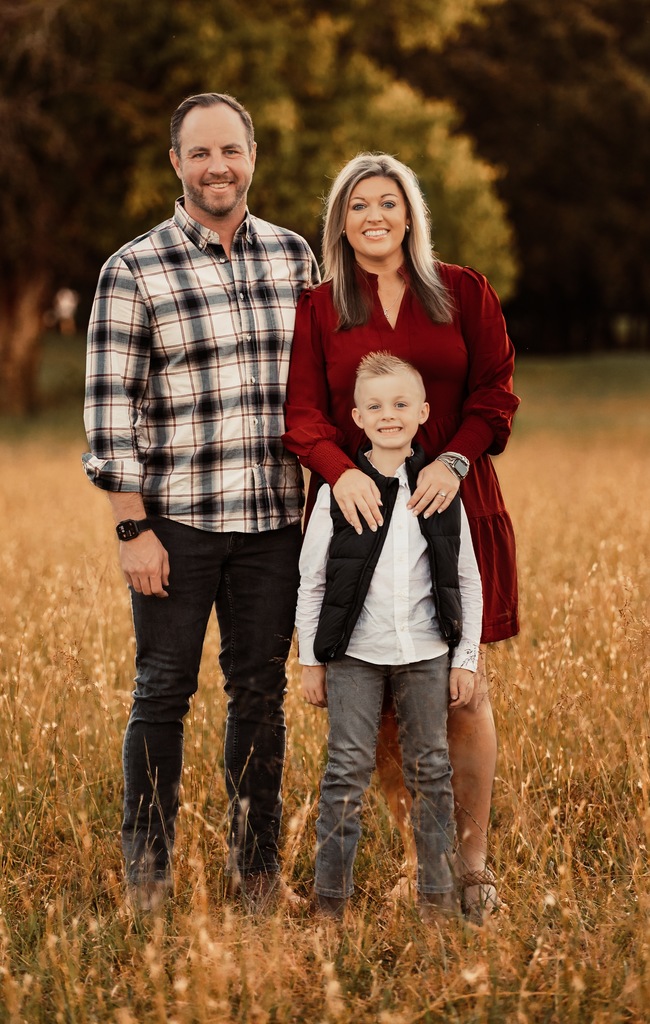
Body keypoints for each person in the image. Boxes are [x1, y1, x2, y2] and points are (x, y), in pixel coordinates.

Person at [83, 92, 319, 912]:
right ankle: (148, 880)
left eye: (232, 150)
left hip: (275, 524)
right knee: (163, 691)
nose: (218, 166)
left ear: (253, 156)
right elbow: (112, 414)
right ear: (176, 164)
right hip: (176, 524)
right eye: (201, 153)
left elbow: (320, 389)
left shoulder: (294, 258)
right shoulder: (133, 268)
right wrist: (131, 528)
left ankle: (256, 879)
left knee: (260, 694)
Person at [282, 152, 519, 922]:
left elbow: (496, 393)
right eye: (358, 205)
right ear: (340, 222)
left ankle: (471, 871)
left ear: (410, 213)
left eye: (388, 201)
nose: (374, 216)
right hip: (361, 518)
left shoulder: (464, 291)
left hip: (455, 498)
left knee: (461, 687)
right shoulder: (321, 307)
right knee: (375, 703)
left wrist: (453, 457)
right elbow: (306, 414)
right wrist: (338, 471)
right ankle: (427, 860)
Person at [296, 352, 483, 921]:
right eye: (375, 406)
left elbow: (468, 580)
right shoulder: (339, 493)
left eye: (401, 405)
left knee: (431, 769)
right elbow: (313, 578)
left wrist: (465, 658)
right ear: (356, 417)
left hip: (427, 652)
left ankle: (438, 902)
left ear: (423, 412)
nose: (389, 415)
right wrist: (310, 659)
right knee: (345, 772)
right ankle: (331, 905)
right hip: (354, 654)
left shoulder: (442, 491)